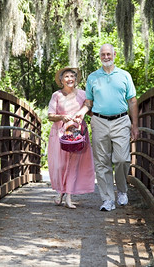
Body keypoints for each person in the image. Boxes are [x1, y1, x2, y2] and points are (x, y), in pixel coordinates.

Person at [75, 44, 139, 211]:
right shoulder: (93, 77)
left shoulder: (124, 75)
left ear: (114, 54)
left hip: (121, 120)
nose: (106, 57)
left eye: (108, 54)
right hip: (99, 121)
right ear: (100, 56)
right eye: (103, 54)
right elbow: (88, 102)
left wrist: (135, 126)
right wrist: (81, 113)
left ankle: (122, 190)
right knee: (102, 163)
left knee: (122, 159)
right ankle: (107, 199)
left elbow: (132, 101)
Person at [47, 67, 95, 209]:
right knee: (60, 165)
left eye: (72, 76)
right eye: (66, 76)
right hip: (60, 133)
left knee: (73, 165)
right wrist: (61, 116)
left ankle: (68, 196)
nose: (70, 79)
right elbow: (50, 115)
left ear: (76, 79)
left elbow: (91, 111)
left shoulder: (83, 94)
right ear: (61, 80)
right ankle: (60, 191)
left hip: (77, 134)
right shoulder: (56, 95)